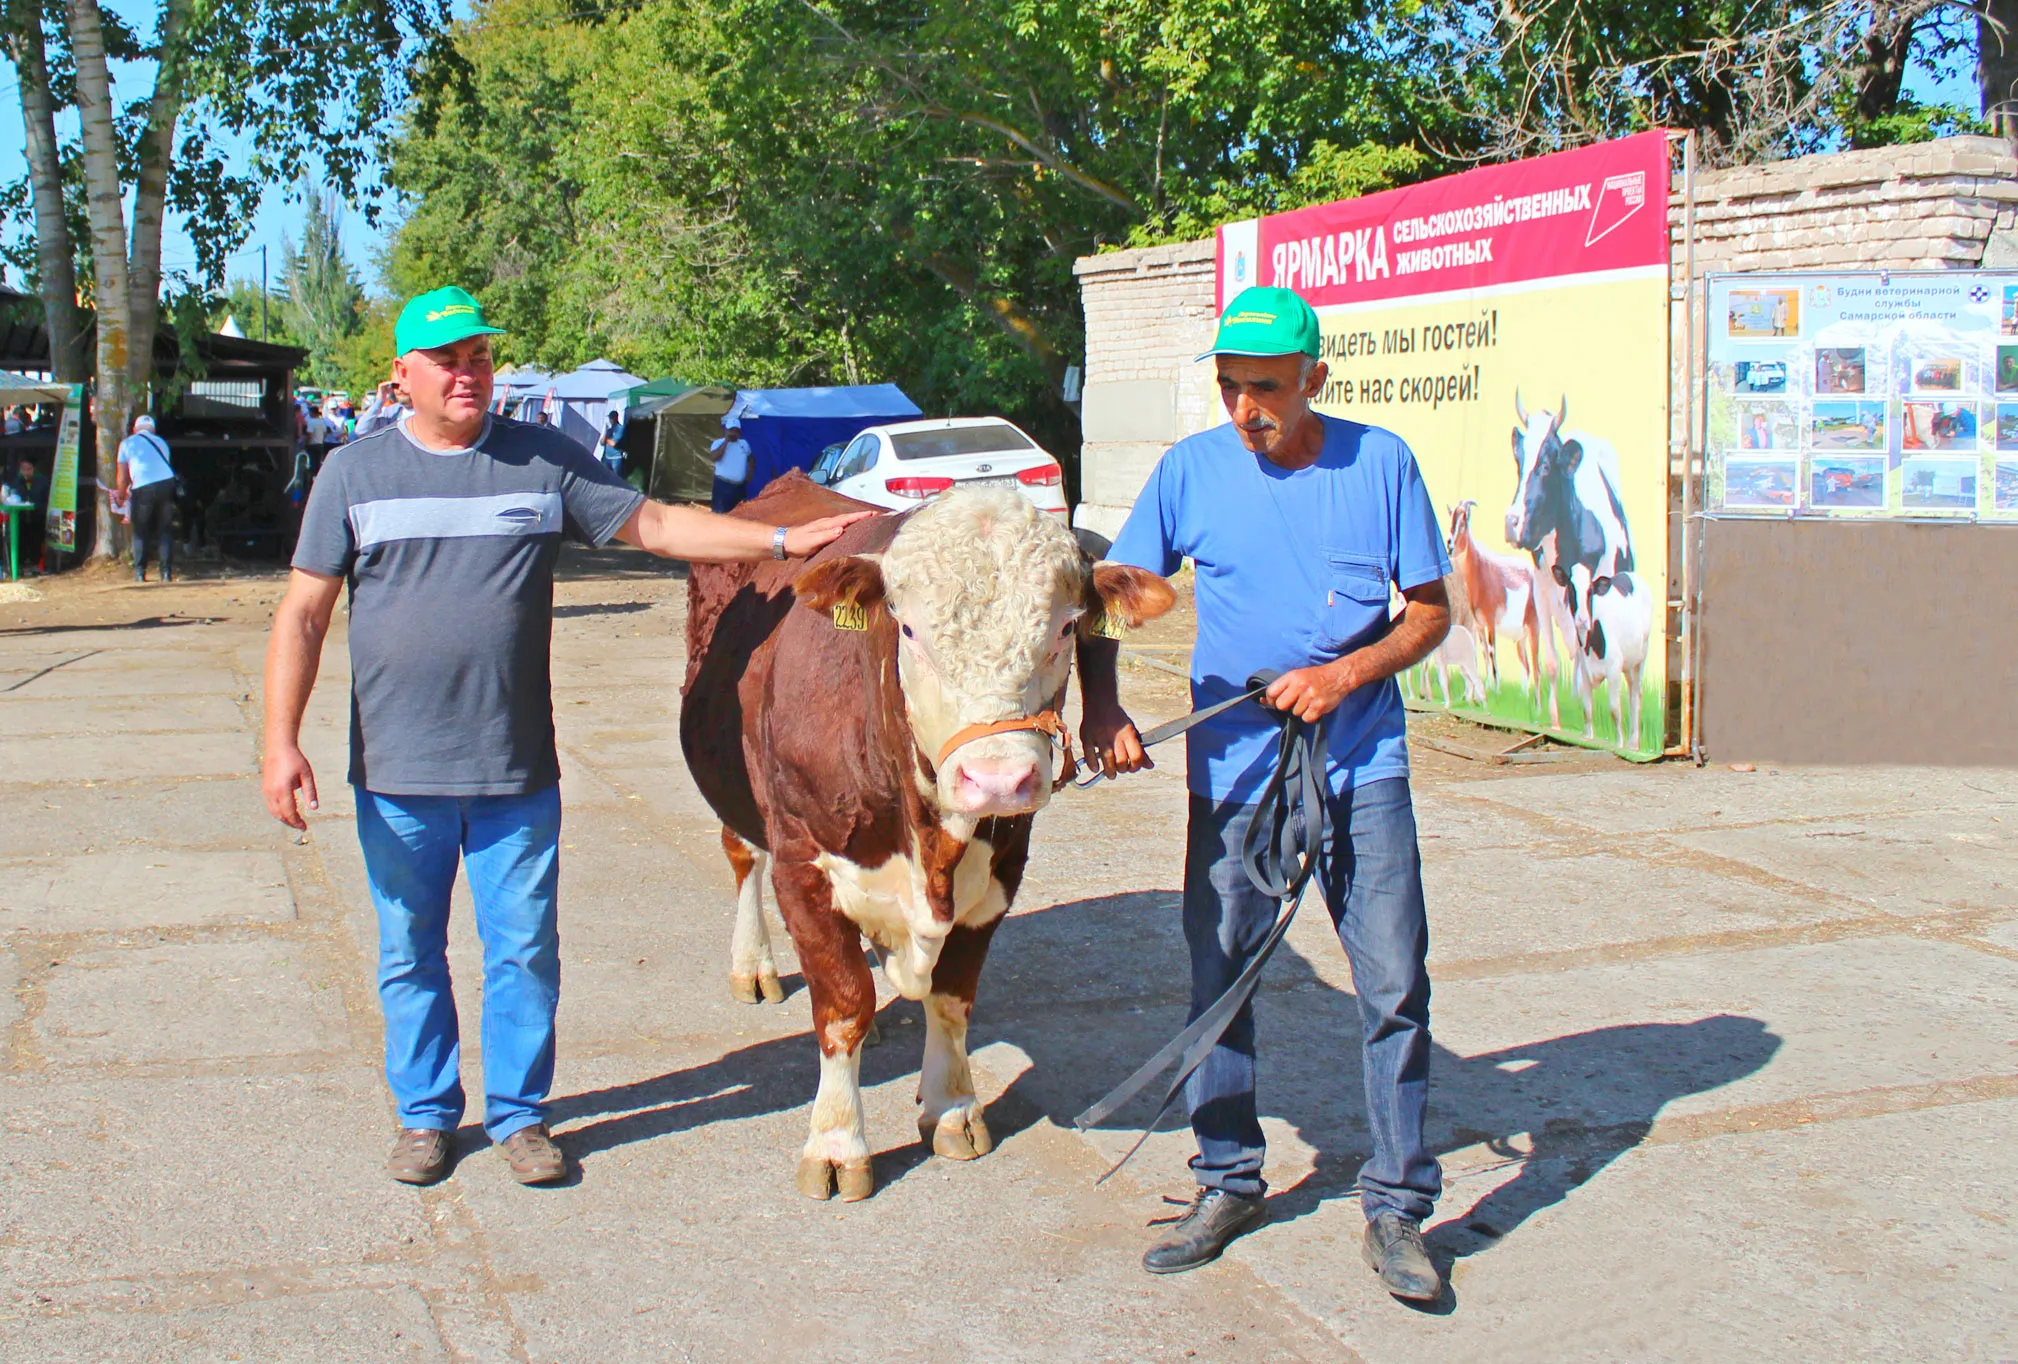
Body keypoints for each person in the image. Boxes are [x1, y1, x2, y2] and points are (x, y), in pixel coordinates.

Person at [259, 286, 868, 1189]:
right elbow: (303, 616)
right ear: (403, 377)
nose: (467, 374)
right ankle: (425, 1117)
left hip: (515, 769)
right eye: (446, 359)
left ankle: (518, 1117)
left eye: (478, 357)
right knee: (409, 952)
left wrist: (781, 539)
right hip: (396, 770)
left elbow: (657, 526)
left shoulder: (544, 460)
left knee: (523, 951)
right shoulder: (352, 476)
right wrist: (281, 742)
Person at [1079, 286, 1454, 1302]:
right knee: (1221, 981)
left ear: (1313, 381)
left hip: (1360, 766)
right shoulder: (1189, 471)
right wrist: (1102, 709)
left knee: (1392, 983)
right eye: (1230, 386)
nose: (1246, 408)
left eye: (1267, 389)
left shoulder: (1378, 465)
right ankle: (1227, 1176)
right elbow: (1105, 603)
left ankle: (1396, 1205)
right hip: (1234, 773)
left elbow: (1428, 614)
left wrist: (1342, 675)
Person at [117, 413, 178, 583]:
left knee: (140, 530)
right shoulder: (162, 443)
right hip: (166, 485)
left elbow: (122, 476)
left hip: (143, 487)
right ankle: (166, 573)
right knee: (165, 530)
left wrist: (121, 493)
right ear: (153, 429)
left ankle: (140, 572)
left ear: (135, 429)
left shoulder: (127, 444)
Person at [711, 418, 751, 513]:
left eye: (735, 431)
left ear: (739, 432)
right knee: (720, 513)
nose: (733, 433)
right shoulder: (717, 443)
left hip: (739, 487)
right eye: (731, 430)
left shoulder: (744, 444)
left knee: (739, 514)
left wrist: (750, 474)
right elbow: (715, 457)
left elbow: (751, 459)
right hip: (723, 484)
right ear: (725, 430)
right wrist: (726, 442)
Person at [596, 410, 625, 479]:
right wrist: (606, 433)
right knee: (606, 478)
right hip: (607, 458)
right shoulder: (609, 430)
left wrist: (606, 440)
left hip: (616, 458)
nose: (610, 420)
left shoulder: (620, 428)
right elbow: (602, 443)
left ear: (616, 418)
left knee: (617, 478)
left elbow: (613, 443)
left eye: (612, 418)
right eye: (610, 418)